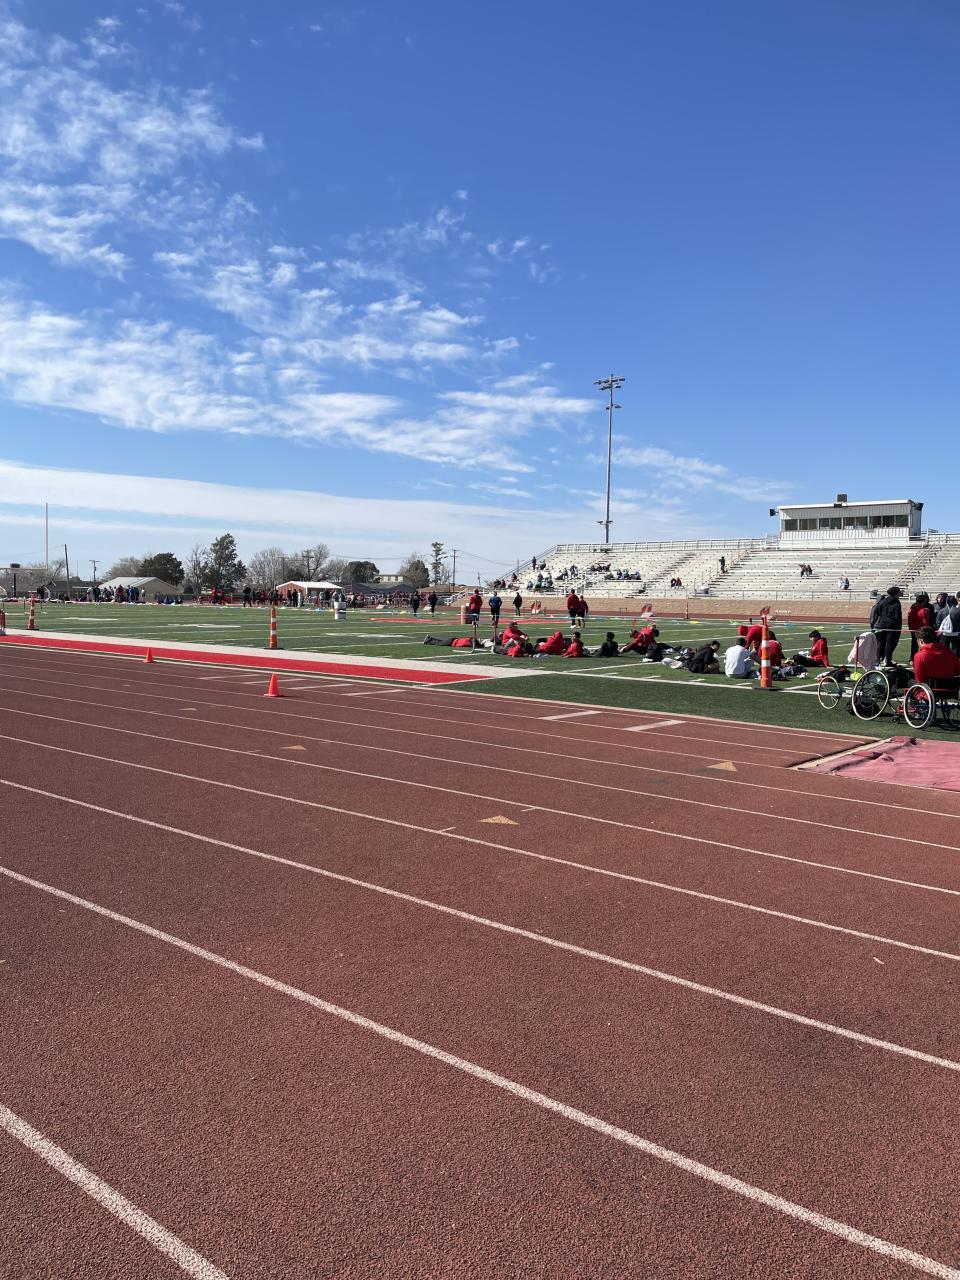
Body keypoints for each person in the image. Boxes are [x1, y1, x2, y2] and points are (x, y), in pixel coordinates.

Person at [869, 586, 902, 666]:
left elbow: (876, 610)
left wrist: (882, 617)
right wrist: (898, 626)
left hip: (880, 625)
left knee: (879, 643)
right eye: (898, 592)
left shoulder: (882, 601)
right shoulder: (897, 603)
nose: (900, 594)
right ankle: (888, 661)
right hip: (891, 626)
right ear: (895, 594)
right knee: (889, 644)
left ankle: (877, 661)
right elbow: (897, 617)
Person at [907, 593, 934, 659]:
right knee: (924, 644)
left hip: (913, 629)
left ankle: (912, 658)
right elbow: (925, 622)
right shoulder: (925, 610)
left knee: (914, 643)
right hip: (922, 630)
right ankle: (924, 657)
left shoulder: (912, 607)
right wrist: (927, 630)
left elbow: (909, 618)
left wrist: (910, 627)